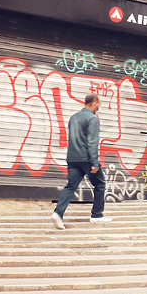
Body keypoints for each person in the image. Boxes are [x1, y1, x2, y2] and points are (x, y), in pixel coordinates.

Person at [51, 92, 110, 229]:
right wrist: (95, 162)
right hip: (87, 159)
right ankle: (97, 215)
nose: (99, 107)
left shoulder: (74, 117)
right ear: (94, 103)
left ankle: (58, 213)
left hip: (72, 158)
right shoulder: (93, 119)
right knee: (100, 184)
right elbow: (92, 142)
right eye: (99, 104)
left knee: (70, 186)